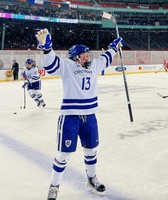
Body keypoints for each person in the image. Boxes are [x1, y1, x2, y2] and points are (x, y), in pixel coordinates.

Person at [35, 28, 124, 200]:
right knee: (63, 154)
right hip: (70, 116)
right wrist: (47, 49)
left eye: (87, 54)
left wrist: (114, 47)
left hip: (90, 116)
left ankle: (92, 179)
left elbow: (105, 59)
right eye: (83, 55)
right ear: (75, 57)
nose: (87, 57)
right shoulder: (68, 66)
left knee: (91, 150)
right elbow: (51, 64)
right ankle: (54, 186)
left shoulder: (93, 66)